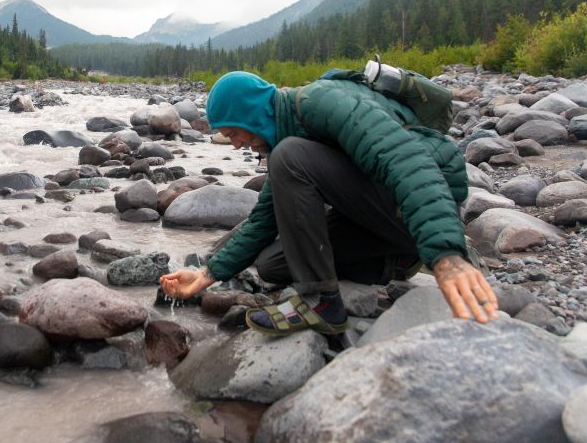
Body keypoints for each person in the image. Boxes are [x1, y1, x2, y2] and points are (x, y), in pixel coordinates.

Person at [159, 70, 498, 335]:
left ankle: (322, 303)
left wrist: (446, 255)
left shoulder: (321, 104)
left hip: (417, 199)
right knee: (273, 265)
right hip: (384, 216)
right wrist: (207, 274)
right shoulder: (286, 133)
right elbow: (264, 220)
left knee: (290, 157)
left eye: (234, 134)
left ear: (252, 115)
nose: (235, 146)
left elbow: (403, 160)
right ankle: (393, 262)